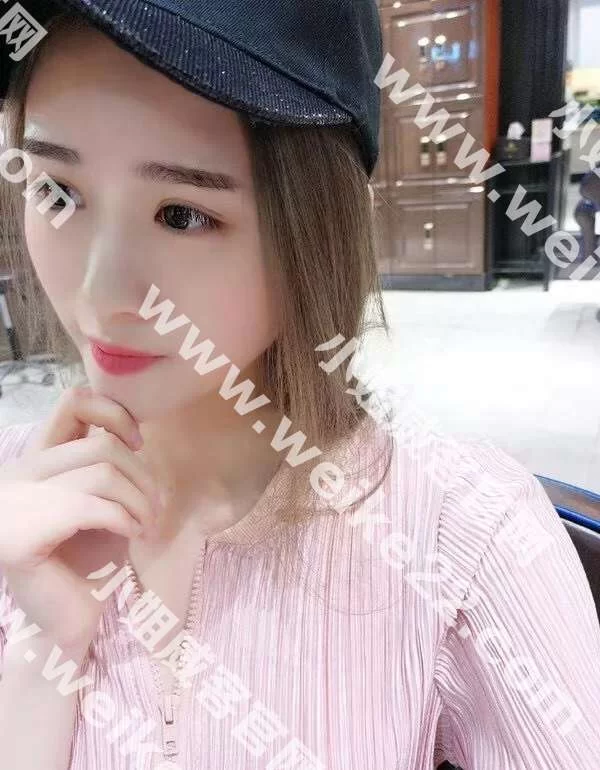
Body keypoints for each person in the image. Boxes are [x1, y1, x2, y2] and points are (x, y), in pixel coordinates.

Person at [0, 3, 599, 770]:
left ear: (319, 225)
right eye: (56, 192)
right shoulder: (18, 501)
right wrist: (46, 647)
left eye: (181, 214)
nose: (99, 291)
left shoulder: (461, 538)